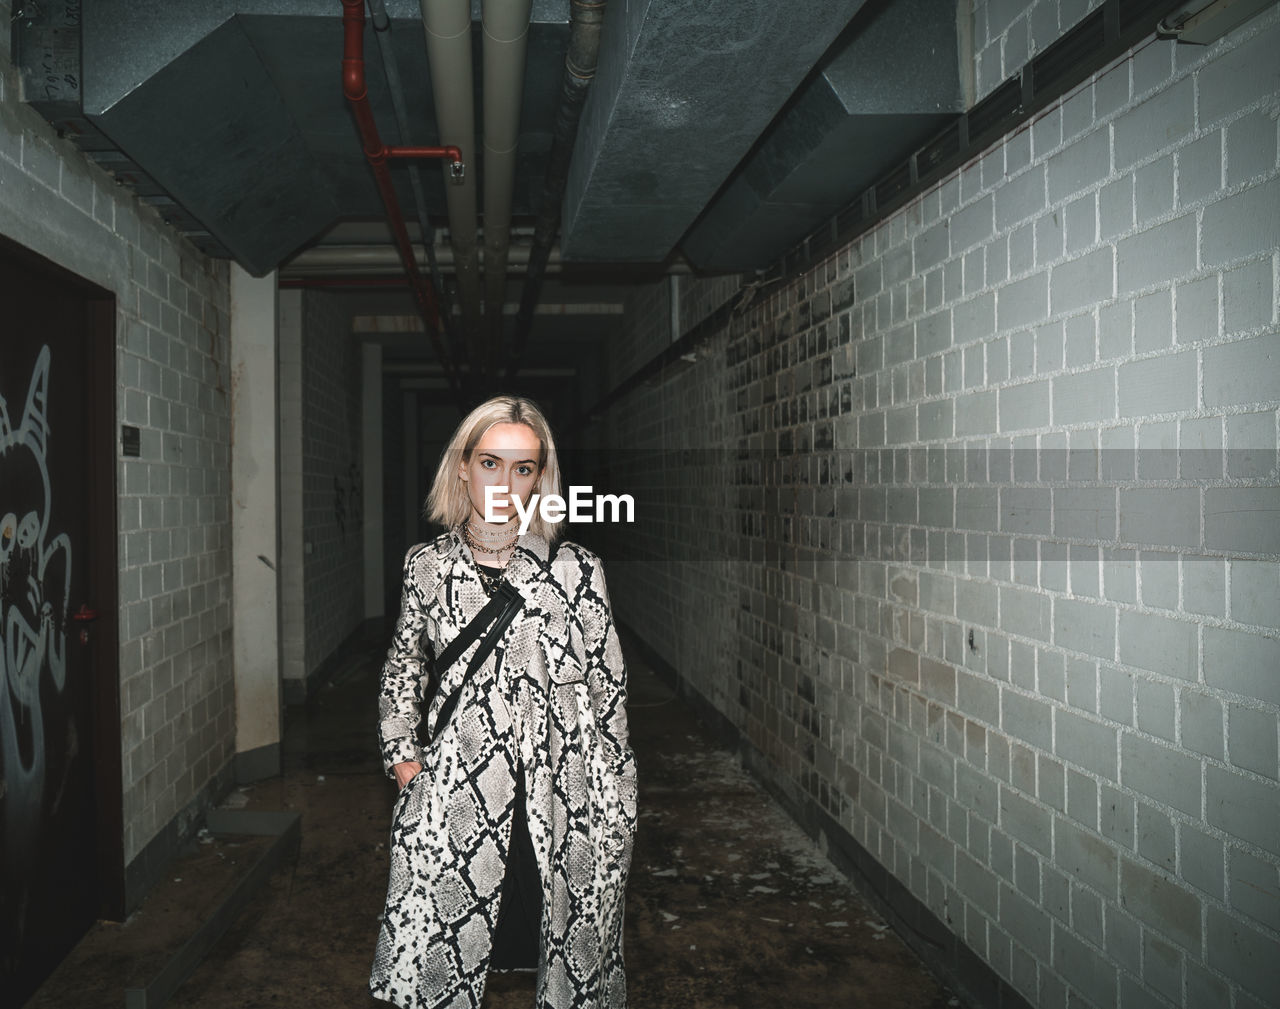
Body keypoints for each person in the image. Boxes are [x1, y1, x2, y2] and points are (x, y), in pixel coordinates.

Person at [370, 395, 637, 1009]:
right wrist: (403, 754)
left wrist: (618, 793)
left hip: (563, 790)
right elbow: (404, 666)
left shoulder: (576, 570)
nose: (505, 482)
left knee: (569, 962)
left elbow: (609, 689)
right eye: (491, 462)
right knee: (444, 959)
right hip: (459, 791)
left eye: (524, 468)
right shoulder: (428, 568)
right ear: (462, 467)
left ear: (542, 479)